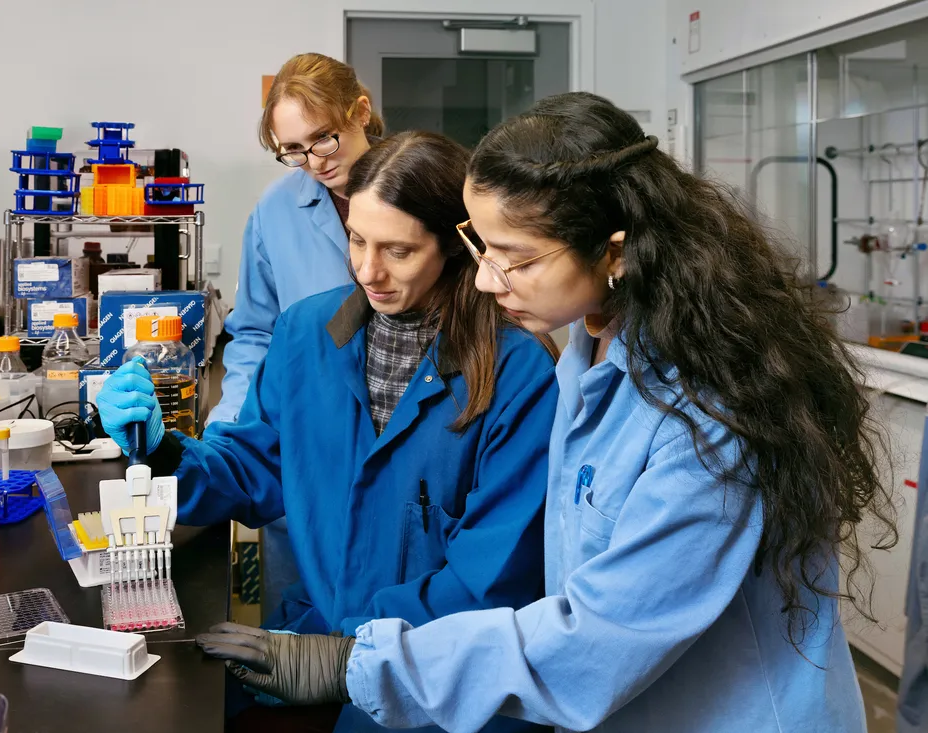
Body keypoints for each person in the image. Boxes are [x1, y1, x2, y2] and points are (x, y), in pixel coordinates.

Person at [195, 92, 899, 733]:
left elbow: (595, 635)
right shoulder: (588, 354)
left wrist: (356, 660)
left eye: (516, 258)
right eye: (483, 249)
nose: (484, 279)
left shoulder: (703, 416)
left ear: (614, 252)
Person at [98, 131, 559, 732]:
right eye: (357, 240)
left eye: (398, 251)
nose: (369, 270)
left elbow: (493, 578)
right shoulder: (305, 332)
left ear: (453, 246)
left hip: (439, 681)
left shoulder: (515, 371)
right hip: (319, 643)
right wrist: (163, 449)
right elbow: (255, 469)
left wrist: (349, 659)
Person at [209, 52, 382, 617]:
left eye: (323, 140)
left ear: (361, 111)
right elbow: (255, 332)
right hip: (306, 439)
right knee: (296, 623)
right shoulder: (277, 209)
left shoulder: (423, 189)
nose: (312, 162)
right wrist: (233, 426)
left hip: (398, 428)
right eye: (292, 150)